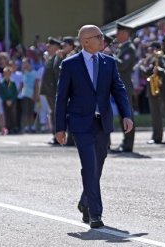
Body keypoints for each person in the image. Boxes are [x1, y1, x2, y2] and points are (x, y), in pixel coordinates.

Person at [55, 25, 133, 229]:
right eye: (98, 37)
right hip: (81, 123)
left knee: (98, 164)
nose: (103, 40)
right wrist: (60, 127)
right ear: (86, 41)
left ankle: (85, 202)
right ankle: (96, 214)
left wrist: (127, 114)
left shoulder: (109, 62)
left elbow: (119, 88)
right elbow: (61, 98)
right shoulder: (70, 64)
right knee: (90, 165)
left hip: (102, 122)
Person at [111, 22, 137, 153]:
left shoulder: (130, 48)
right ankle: (125, 142)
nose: (116, 35)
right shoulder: (122, 48)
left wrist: (111, 55)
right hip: (120, 86)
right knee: (123, 116)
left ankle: (128, 144)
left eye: (118, 33)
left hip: (125, 86)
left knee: (127, 115)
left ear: (125, 34)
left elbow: (122, 66)